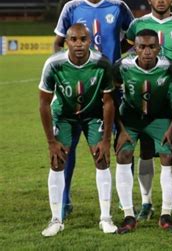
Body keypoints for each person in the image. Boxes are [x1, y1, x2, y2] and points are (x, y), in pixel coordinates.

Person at [53, 0, 134, 219]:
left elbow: (133, 39)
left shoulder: (118, 7)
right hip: (78, 90)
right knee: (69, 145)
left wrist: (112, 64)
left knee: (120, 145)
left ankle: (124, 202)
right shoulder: (71, 7)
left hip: (111, 89)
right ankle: (64, 201)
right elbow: (58, 42)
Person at [124, 0, 172, 220]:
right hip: (143, 94)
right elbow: (128, 51)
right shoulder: (137, 24)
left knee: (170, 150)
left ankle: (171, 203)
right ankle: (146, 203)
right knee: (144, 150)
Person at [39, 24, 117, 237]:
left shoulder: (102, 63)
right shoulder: (54, 64)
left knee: (101, 159)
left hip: (92, 116)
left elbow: (109, 102)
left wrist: (107, 140)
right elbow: (44, 104)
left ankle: (106, 218)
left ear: (89, 41)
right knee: (57, 162)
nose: (79, 44)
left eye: (83, 39)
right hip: (64, 116)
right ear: (67, 42)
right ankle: (56, 220)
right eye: (74, 39)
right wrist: (51, 142)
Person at [113, 29, 172, 233]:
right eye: (142, 47)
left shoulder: (170, 66)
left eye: (152, 47)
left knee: (168, 156)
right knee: (124, 154)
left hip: (159, 117)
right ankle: (128, 216)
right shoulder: (122, 66)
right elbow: (110, 97)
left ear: (158, 48)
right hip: (130, 118)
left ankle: (166, 214)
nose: (147, 51)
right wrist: (120, 128)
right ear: (135, 48)